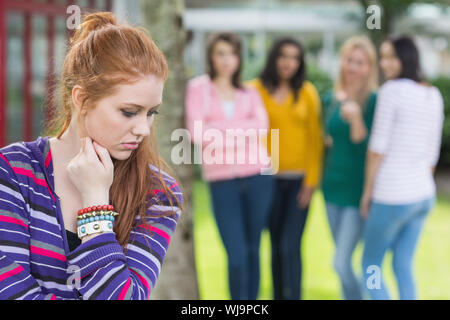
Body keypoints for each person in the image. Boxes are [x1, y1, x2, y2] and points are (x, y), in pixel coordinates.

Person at [0, 12, 182, 300]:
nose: (143, 129)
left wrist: (95, 202)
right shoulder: (12, 172)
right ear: (81, 99)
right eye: (129, 112)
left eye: (151, 113)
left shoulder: (158, 193)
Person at [185, 32, 273, 300]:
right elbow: (198, 133)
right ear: (211, 56)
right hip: (222, 181)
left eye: (232, 53)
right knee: (236, 254)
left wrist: (220, 131)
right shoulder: (198, 89)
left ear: (239, 58)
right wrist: (241, 131)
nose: (227, 60)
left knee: (252, 250)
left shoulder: (250, 91)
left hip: (259, 176)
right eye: (220, 53)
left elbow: (261, 127)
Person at [360, 35, 444, 300]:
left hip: (392, 195)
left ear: (406, 59)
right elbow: (432, 153)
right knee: (402, 265)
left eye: (391, 57)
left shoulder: (391, 91)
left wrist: (367, 192)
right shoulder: (433, 94)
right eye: (382, 57)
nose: (384, 64)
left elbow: (377, 149)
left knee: (370, 265)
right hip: (423, 196)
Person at [249, 38, 323, 300]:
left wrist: (311, 182)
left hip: (298, 182)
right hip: (265, 180)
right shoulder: (255, 90)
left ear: (300, 62)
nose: (288, 62)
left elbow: (315, 141)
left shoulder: (308, 93)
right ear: (274, 58)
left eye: (294, 57)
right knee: (274, 246)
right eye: (283, 56)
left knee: (289, 246)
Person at [321, 36, 378, 300]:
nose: (353, 67)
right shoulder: (331, 99)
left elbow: (369, 149)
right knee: (343, 264)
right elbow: (328, 139)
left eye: (360, 62)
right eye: (349, 60)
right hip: (331, 188)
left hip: (357, 193)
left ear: (369, 67)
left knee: (341, 263)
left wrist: (356, 119)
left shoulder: (374, 102)